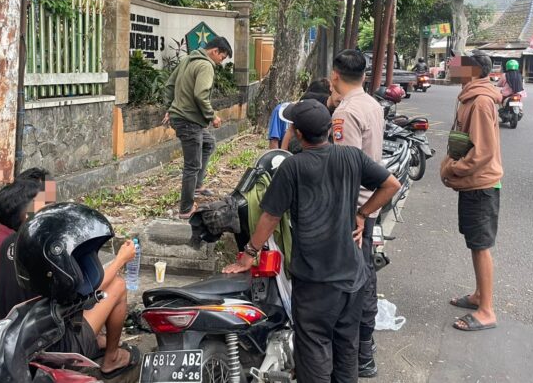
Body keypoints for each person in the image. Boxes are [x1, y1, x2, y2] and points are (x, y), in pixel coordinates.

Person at [224, 99, 401, 383]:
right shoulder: (351, 156)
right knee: (346, 347)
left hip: (316, 282)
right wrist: (362, 213)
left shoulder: (293, 167)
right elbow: (391, 184)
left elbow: (270, 217)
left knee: (314, 349)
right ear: (329, 129)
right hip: (353, 276)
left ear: (298, 133)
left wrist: (249, 253)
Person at [0, 185, 139, 378]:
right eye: (44, 204)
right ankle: (112, 358)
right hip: (53, 346)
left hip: (18, 338)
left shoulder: (9, 244)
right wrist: (121, 259)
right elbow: (90, 290)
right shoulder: (45, 255)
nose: (51, 206)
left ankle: (97, 340)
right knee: (118, 285)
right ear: (29, 217)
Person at [328, 49, 385, 378]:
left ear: (335, 75)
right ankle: (365, 347)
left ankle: (362, 356)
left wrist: (354, 214)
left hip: (354, 207)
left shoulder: (346, 113)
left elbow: (345, 167)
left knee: (356, 280)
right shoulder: (372, 104)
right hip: (370, 202)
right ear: (364, 75)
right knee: (365, 274)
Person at [440, 51, 503, 332]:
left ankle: (487, 310)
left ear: (473, 71)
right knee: (474, 243)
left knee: (480, 246)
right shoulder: (470, 97)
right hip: (473, 183)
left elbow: (483, 151)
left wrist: (453, 169)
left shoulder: (480, 102)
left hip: (481, 184)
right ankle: (479, 296)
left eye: (459, 65)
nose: (452, 67)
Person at [0, 167, 56, 325]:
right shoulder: (25, 239)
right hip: (0, 321)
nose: (52, 206)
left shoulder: (9, 227)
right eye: (46, 200)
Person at [162, 37, 233, 219]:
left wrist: (170, 108)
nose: (221, 62)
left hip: (183, 118)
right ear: (215, 51)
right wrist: (212, 116)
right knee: (191, 165)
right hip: (189, 121)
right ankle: (186, 209)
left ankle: (197, 186)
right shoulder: (206, 65)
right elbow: (201, 95)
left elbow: (169, 85)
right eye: (222, 57)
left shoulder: (187, 59)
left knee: (208, 143)